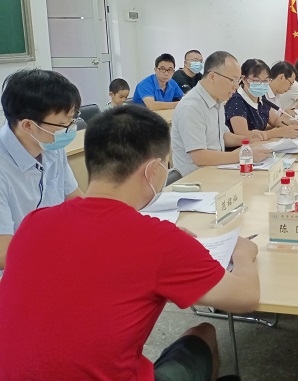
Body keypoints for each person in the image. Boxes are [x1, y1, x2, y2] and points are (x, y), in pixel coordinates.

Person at [0, 104, 259, 380]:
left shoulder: (34, 222)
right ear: (153, 170)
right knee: (203, 333)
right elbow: (245, 297)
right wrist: (243, 253)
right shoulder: (158, 240)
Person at [0, 69, 83, 276]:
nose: (69, 129)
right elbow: (3, 254)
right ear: (28, 125)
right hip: (15, 276)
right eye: (62, 124)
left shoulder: (49, 144)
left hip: (52, 261)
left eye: (72, 120)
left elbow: (75, 199)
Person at [171, 51, 269, 177]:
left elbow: (223, 136)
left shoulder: (217, 101)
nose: (236, 86)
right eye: (232, 80)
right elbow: (199, 157)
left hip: (215, 171)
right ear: (212, 77)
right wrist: (241, 155)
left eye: (238, 80)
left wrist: (247, 139)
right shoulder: (191, 107)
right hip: (195, 179)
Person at [225, 59, 298, 141]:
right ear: (244, 79)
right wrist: (277, 132)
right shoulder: (236, 102)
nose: (262, 85)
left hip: (260, 144)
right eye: (257, 81)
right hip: (244, 147)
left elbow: (275, 120)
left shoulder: (261, 98)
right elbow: (243, 136)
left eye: (265, 81)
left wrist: (293, 123)